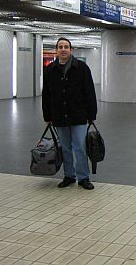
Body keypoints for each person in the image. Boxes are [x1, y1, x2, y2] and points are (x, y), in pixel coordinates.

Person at [42, 37, 97, 190]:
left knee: (79, 146)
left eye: (66, 46)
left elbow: (89, 92)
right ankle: (69, 175)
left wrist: (92, 114)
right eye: (60, 47)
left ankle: (83, 177)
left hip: (78, 115)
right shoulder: (50, 70)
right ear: (56, 50)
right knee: (65, 147)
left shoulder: (82, 68)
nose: (63, 49)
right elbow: (46, 94)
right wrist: (47, 115)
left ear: (71, 50)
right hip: (59, 115)